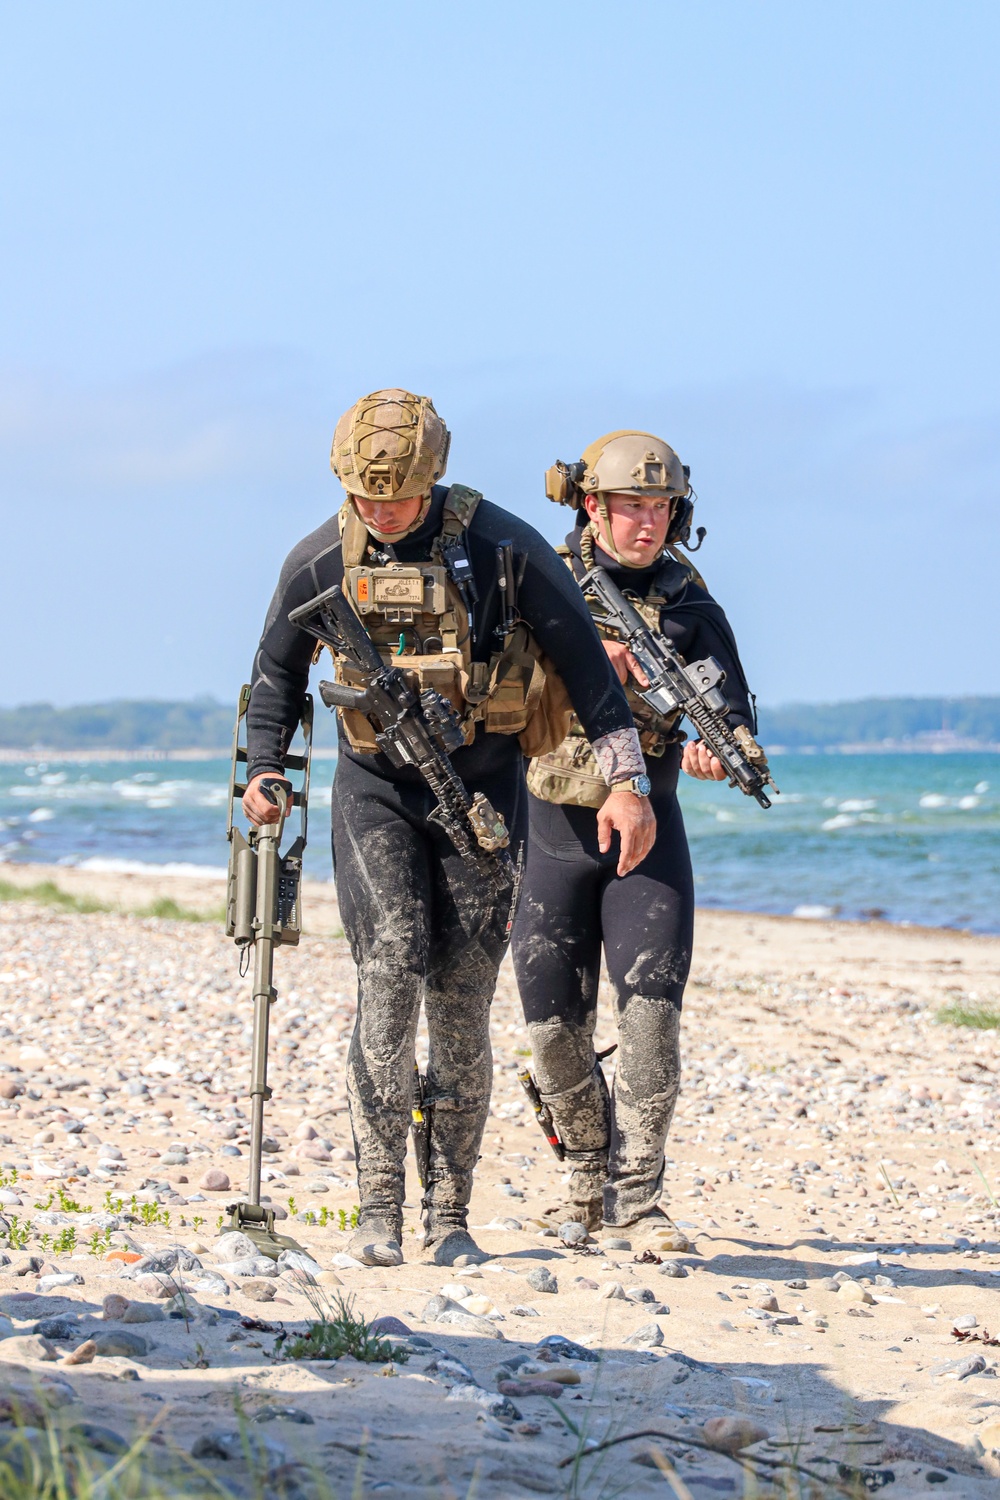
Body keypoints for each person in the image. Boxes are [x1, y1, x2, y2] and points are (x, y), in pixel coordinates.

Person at [241, 391, 655, 1268]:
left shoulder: (503, 547)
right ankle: (379, 1207)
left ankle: (449, 1214)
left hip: (481, 795)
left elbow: (588, 671)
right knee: (388, 973)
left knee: (460, 1005)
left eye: (394, 496)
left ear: (431, 478)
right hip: (375, 796)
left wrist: (627, 784)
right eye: (363, 496)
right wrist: (265, 772)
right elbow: (276, 672)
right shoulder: (321, 557)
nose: (378, 511)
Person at [511, 429, 764, 1253]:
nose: (647, 524)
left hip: (649, 832)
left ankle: (640, 1197)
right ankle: (583, 1184)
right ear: (593, 505)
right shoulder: (539, 579)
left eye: (661, 508)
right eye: (631, 508)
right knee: (552, 1024)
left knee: (652, 1011)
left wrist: (723, 747)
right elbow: (489, 686)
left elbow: (730, 709)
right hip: (551, 826)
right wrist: (583, 662)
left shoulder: (689, 601)